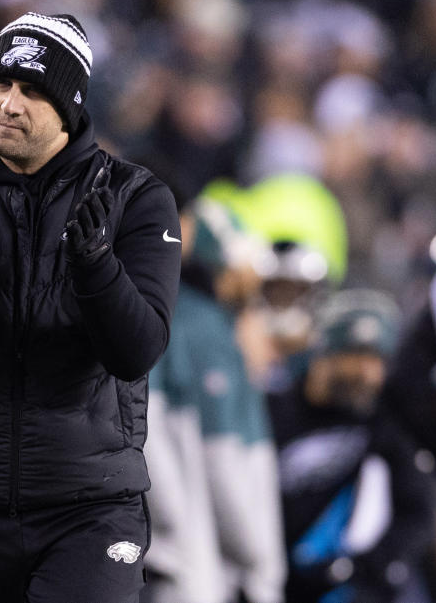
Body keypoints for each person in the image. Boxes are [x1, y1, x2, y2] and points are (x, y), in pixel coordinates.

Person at [0, 12, 181, 602]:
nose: (9, 104)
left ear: (70, 107)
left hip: (89, 506)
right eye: (0, 85)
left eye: (33, 90)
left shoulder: (135, 198)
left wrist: (97, 267)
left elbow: (137, 351)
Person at [143, 196, 286, 603]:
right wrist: (257, 553)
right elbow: (220, 459)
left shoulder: (178, 314)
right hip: (202, 563)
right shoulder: (204, 327)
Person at [268, 289, 436, 603]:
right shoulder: (274, 411)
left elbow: (417, 513)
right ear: (324, 353)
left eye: (377, 360)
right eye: (356, 355)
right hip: (277, 582)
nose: (368, 373)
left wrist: (357, 568)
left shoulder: (386, 419)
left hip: (357, 589)